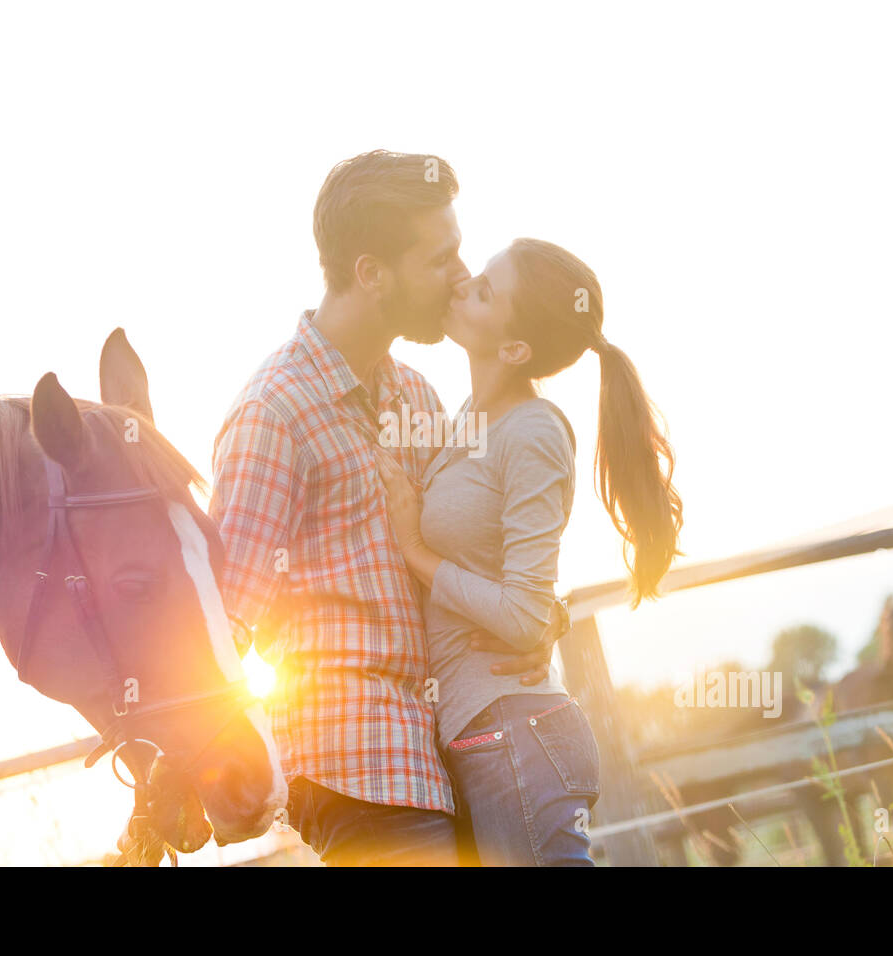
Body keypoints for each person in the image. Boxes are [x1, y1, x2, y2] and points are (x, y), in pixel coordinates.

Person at [209, 151, 557, 866]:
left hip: (456, 743)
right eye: (441, 259)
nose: (462, 275)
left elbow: (475, 552)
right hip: (356, 762)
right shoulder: (273, 414)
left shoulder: (419, 396)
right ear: (372, 274)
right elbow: (224, 620)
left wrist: (535, 618)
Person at [375, 237, 683, 865]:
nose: (462, 284)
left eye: (485, 290)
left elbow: (522, 612)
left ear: (515, 348)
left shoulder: (534, 432)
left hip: (515, 731)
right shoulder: (464, 418)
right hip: (484, 733)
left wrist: (414, 548)